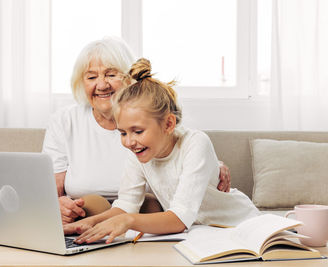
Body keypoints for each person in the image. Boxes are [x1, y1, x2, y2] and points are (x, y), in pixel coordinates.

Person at [63, 58, 260, 244]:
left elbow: (179, 218)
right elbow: (126, 205)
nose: (129, 142)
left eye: (138, 131)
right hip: (202, 234)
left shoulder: (195, 143)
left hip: (242, 226)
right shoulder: (140, 153)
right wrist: (92, 222)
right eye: (122, 133)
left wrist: (128, 221)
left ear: (168, 124)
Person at [42, 37, 231, 224]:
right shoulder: (64, 121)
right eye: (92, 77)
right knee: (93, 204)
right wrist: (58, 206)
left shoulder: (152, 116)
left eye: (111, 74)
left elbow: (180, 145)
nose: (101, 85)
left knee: (148, 205)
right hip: (91, 210)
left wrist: (212, 165)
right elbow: (51, 189)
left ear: (130, 78)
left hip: (148, 212)